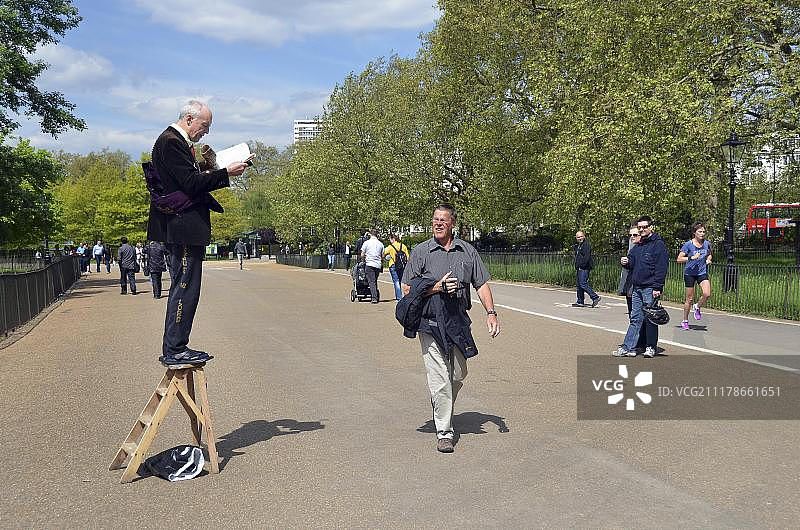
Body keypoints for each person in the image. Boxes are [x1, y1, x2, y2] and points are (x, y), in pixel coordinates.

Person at [147, 99, 248, 365]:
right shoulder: (170, 142)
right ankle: (175, 348)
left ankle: (177, 345)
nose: (206, 132)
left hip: (184, 228)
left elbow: (182, 180)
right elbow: (190, 185)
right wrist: (225, 173)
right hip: (181, 229)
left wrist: (206, 167)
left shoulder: (175, 143)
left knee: (188, 287)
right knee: (184, 287)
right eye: (204, 125)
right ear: (189, 119)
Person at [400, 204, 500, 453]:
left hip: (457, 321)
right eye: (435, 219)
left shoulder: (467, 251)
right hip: (430, 321)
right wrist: (436, 287)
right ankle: (444, 432)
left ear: (452, 223)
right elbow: (407, 289)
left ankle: (439, 402)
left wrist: (491, 313)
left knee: (457, 375)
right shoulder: (422, 251)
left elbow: (482, 284)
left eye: (443, 220)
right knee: (440, 379)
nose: (438, 223)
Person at [614, 215, 668, 358]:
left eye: (644, 227)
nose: (642, 229)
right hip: (637, 287)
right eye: (640, 227)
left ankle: (650, 347)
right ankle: (628, 347)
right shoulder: (638, 246)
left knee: (651, 318)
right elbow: (632, 262)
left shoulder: (658, 245)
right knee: (635, 318)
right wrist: (626, 261)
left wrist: (658, 287)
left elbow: (661, 267)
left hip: (650, 287)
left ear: (651, 227)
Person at [616, 224, 647, 351]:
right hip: (630, 285)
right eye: (630, 235)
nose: (632, 237)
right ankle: (637, 341)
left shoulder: (643, 248)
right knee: (632, 315)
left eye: (635, 235)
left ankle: (643, 342)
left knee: (640, 315)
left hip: (639, 285)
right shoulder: (632, 247)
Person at [677, 222, 713, 331]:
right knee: (689, 298)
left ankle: (697, 306)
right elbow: (678, 259)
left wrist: (708, 259)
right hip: (690, 273)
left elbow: (710, 254)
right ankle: (685, 320)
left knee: (707, 294)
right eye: (700, 232)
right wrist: (691, 258)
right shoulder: (688, 245)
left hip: (701, 272)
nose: (702, 234)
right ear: (694, 233)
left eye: (703, 232)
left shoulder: (707, 244)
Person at [572, 231, 600, 308]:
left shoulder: (586, 245)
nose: (580, 238)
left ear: (584, 236)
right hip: (579, 268)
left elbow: (586, 257)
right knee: (579, 285)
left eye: (581, 236)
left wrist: (582, 265)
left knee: (583, 283)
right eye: (578, 237)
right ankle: (580, 301)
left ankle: (595, 297)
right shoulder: (578, 245)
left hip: (584, 268)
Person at [360, 229, 384, 303]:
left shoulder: (366, 243)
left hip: (369, 263)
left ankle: (374, 297)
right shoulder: (380, 244)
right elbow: (382, 255)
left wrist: (363, 259)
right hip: (377, 265)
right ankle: (375, 294)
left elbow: (362, 254)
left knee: (371, 281)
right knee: (374, 280)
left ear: (370, 235)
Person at [383, 234, 409, 300]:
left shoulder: (390, 247)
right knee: (402, 281)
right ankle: (404, 296)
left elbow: (383, 253)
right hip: (402, 265)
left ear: (393, 239)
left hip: (393, 264)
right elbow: (407, 257)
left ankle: (399, 298)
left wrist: (386, 257)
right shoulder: (403, 246)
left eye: (390, 239)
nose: (390, 241)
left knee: (396, 281)